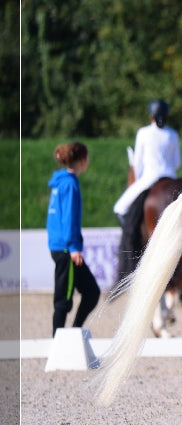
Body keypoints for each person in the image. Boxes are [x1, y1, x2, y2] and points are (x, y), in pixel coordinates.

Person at [113, 99, 181, 279]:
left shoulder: (142, 133)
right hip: (171, 177)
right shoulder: (173, 134)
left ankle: (134, 236)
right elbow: (177, 162)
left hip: (150, 177)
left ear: (150, 115)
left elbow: (138, 163)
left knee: (119, 208)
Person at [47, 141, 100, 336]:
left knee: (91, 292)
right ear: (83, 160)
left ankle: (72, 335)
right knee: (64, 299)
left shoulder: (60, 181)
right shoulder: (69, 184)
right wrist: (72, 247)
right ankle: (57, 341)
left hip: (61, 246)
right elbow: (67, 218)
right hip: (66, 249)